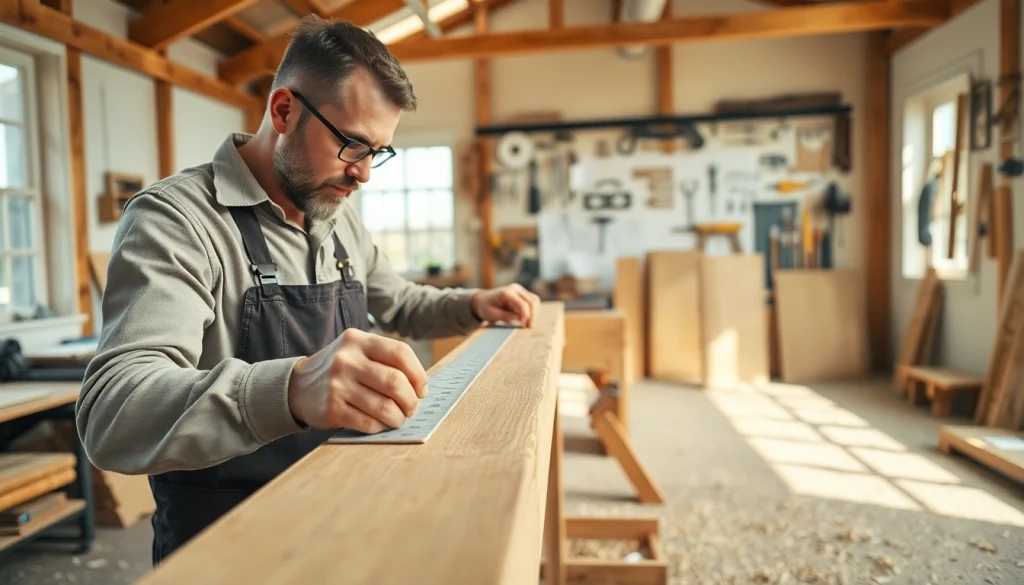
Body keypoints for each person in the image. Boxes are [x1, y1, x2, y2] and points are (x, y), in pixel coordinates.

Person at [75, 15, 540, 565]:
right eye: (352, 145)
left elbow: (402, 303)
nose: (365, 174)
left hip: (348, 506)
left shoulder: (336, 214)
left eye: (379, 152)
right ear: (283, 110)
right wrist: (289, 390)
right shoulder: (177, 221)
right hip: (226, 547)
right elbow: (113, 411)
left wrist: (471, 303)